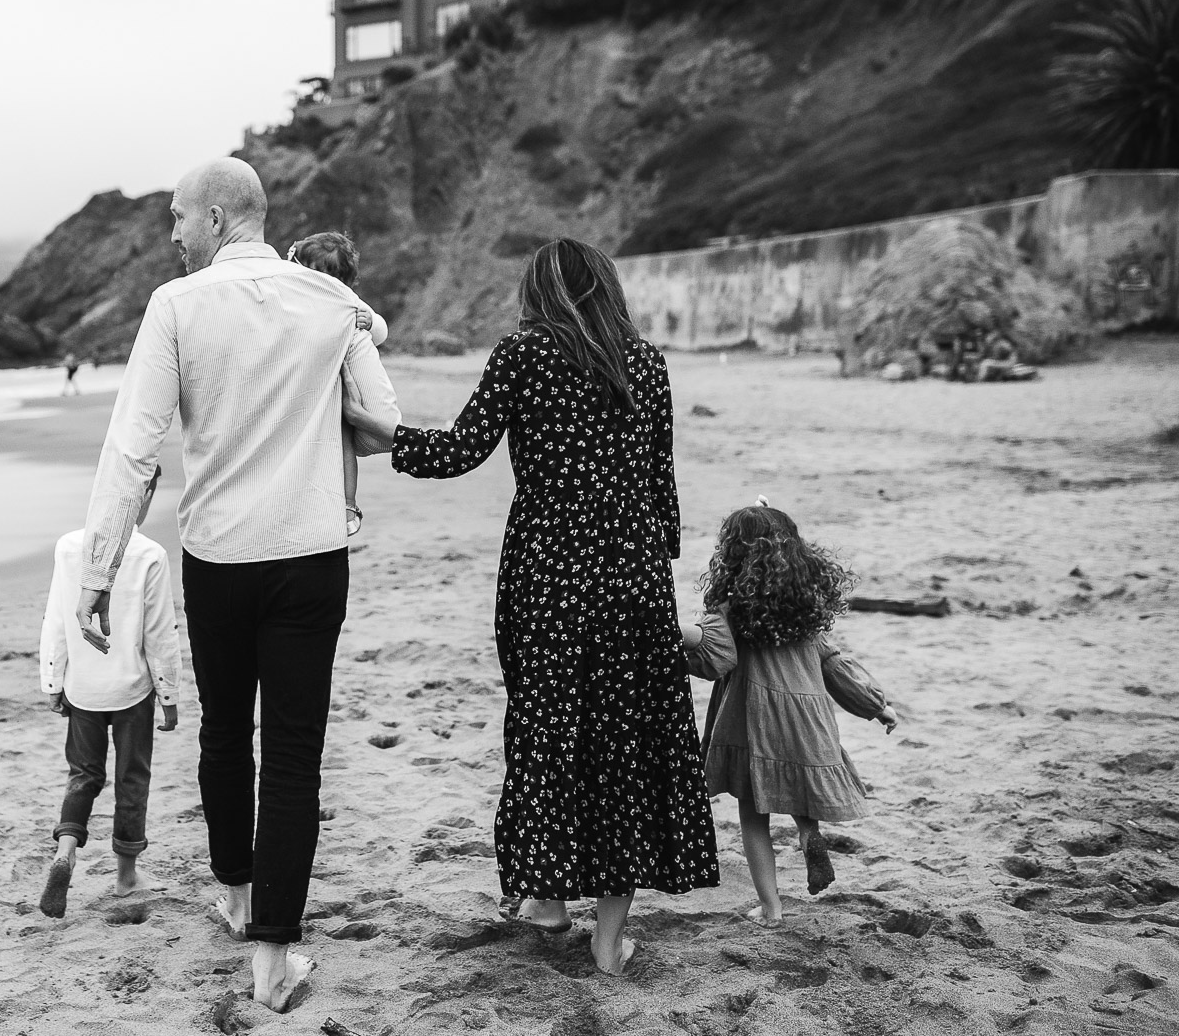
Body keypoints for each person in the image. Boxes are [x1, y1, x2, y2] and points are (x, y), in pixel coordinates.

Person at [343, 237, 719, 976]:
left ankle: (546, 897)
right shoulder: (646, 364)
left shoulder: (525, 353)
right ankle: (609, 940)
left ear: (539, 294)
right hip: (633, 573)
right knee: (625, 747)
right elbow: (662, 492)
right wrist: (646, 577)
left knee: (547, 730)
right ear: (606, 288)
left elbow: (458, 450)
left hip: (547, 577)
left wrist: (376, 425)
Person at [75, 157, 398, 1012]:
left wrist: (97, 571)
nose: (172, 234)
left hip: (219, 563)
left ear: (218, 218)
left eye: (178, 218)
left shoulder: (175, 307)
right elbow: (384, 425)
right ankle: (273, 961)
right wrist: (322, 395)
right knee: (293, 754)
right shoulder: (332, 302)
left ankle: (237, 895)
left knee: (226, 733)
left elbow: (133, 450)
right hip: (309, 558)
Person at [681, 500, 900, 926]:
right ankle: (807, 832)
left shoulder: (731, 607)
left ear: (731, 554)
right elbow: (835, 665)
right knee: (802, 778)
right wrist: (878, 706)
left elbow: (717, 659)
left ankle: (772, 907)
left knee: (753, 814)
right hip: (806, 720)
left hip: (752, 720)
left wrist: (680, 638)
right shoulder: (804, 608)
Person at [37, 466, 181, 919]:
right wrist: (169, 694)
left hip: (83, 688)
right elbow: (160, 633)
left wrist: (52, 681)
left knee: (84, 774)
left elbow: (58, 619)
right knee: (132, 779)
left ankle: (66, 850)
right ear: (147, 494)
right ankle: (124, 877)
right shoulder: (150, 554)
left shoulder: (69, 547)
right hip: (132, 690)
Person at [287, 231, 387, 536]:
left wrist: (369, 321)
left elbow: (381, 331)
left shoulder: (349, 305)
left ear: (344, 285)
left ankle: (347, 503)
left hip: (337, 387)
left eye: (329, 279)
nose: (319, 286)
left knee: (342, 440)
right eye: (310, 275)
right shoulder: (290, 292)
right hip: (304, 385)